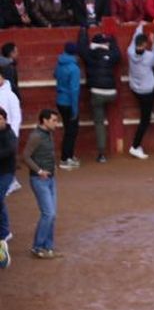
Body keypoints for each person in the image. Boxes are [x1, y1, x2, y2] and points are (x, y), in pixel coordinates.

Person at [20, 108, 61, 259]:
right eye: (54, 120)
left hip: (50, 179)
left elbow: (46, 153)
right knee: (48, 214)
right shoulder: (36, 136)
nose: (56, 124)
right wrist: (39, 171)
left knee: (52, 215)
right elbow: (25, 156)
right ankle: (37, 247)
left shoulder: (48, 133)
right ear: (44, 120)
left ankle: (48, 247)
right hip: (39, 180)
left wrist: (52, 166)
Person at [81, 29, 120, 165]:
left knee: (99, 123)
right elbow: (117, 53)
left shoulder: (89, 54)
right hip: (111, 93)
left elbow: (81, 48)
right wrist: (113, 39)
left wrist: (83, 32)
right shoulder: (111, 54)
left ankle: (102, 154)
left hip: (97, 92)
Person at [126, 24, 154, 159]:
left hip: (135, 87)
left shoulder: (130, 51)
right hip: (147, 90)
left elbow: (135, 38)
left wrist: (139, 26)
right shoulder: (149, 56)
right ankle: (135, 146)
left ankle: (149, 112)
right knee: (144, 121)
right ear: (145, 45)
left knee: (145, 108)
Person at [53, 42, 81, 170]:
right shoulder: (74, 69)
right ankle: (65, 158)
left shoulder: (59, 63)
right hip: (69, 103)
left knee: (68, 130)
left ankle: (68, 156)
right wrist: (75, 109)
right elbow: (74, 90)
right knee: (71, 131)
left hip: (60, 100)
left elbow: (55, 75)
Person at [0, 107, 15, 266]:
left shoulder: (10, 135)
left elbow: (7, 151)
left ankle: (4, 232)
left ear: (5, 119)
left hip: (6, 173)